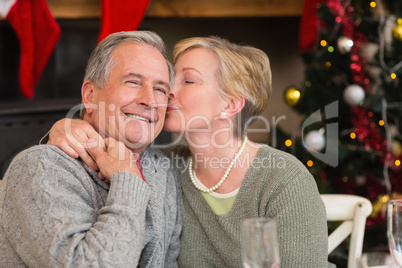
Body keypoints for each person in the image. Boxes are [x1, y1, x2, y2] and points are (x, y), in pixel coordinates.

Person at [43, 36, 333, 267]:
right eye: (172, 78)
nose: (166, 91)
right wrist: (61, 130)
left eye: (188, 80)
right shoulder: (163, 168)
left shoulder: (282, 180)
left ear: (230, 105)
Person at [0, 31, 181, 267]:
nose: (149, 99)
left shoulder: (161, 171)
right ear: (90, 95)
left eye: (160, 89)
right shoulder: (40, 168)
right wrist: (127, 180)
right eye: (133, 82)